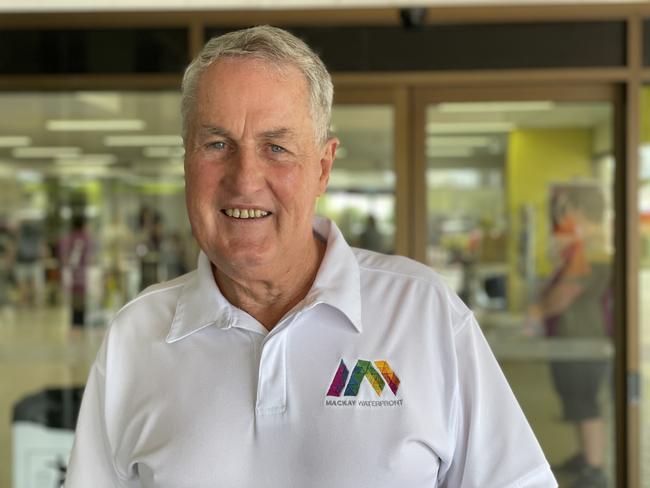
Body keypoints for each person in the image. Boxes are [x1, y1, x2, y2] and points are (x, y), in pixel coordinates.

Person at [65, 26, 556, 487]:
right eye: (216, 144)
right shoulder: (136, 336)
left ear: (323, 167)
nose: (245, 179)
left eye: (276, 147)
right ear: (186, 162)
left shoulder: (424, 314)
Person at [529, 185, 612, 488]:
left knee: (583, 400)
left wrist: (538, 310)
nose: (562, 216)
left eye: (566, 209)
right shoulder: (587, 248)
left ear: (579, 212)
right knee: (576, 400)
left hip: (583, 340)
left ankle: (594, 467)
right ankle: (585, 456)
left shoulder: (591, 251)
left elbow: (565, 294)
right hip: (577, 338)